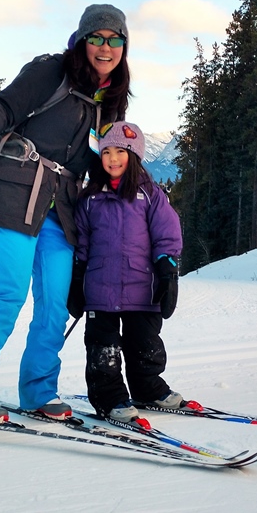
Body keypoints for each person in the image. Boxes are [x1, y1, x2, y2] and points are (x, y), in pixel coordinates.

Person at [0, 4, 131, 424]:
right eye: (97, 38)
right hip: (13, 192)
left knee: (54, 306)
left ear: (123, 46)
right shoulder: (52, 71)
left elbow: (110, 159)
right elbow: (7, 107)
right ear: (82, 41)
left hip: (61, 208)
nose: (105, 47)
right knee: (8, 292)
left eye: (114, 39)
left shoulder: (112, 103)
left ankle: (38, 391)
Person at [67, 121, 184, 426]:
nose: (113, 158)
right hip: (100, 289)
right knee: (102, 350)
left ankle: (147, 388)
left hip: (141, 287)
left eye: (121, 151)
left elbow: (167, 233)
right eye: (107, 151)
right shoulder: (90, 199)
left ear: (134, 156)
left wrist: (167, 269)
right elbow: (82, 241)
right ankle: (109, 398)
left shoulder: (150, 195)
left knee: (145, 343)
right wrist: (77, 278)